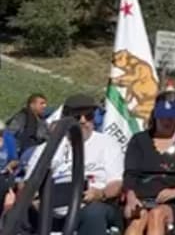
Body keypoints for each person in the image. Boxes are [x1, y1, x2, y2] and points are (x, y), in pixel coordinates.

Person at [20, 93, 124, 235]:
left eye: (89, 116)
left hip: (90, 204)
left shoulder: (107, 144)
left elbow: (116, 183)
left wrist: (101, 193)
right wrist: (34, 199)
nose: (83, 121)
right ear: (66, 118)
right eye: (77, 117)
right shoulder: (47, 148)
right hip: (51, 205)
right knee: (18, 214)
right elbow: (27, 183)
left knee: (94, 213)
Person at [122, 91, 175, 235]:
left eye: (171, 117)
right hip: (140, 198)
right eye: (162, 116)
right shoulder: (139, 140)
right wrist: (131, 197)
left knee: (156, 215)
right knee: (138, 220)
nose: (166, 121)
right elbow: (130, 175)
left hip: (171, 201)